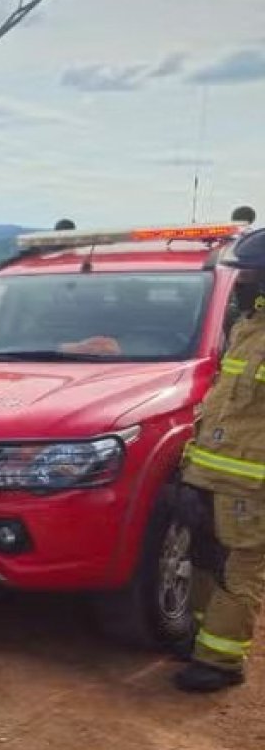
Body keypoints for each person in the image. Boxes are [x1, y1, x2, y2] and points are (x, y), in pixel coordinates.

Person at [174, 228, 265, 692]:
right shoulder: (248, 326)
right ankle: (204, 642)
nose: (242, 282)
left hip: (253, 486)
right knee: (207, 560)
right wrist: (192, 468)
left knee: (238, 570)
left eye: (250, 274)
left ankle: (221, 663)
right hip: (211, 471)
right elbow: (222, 403)